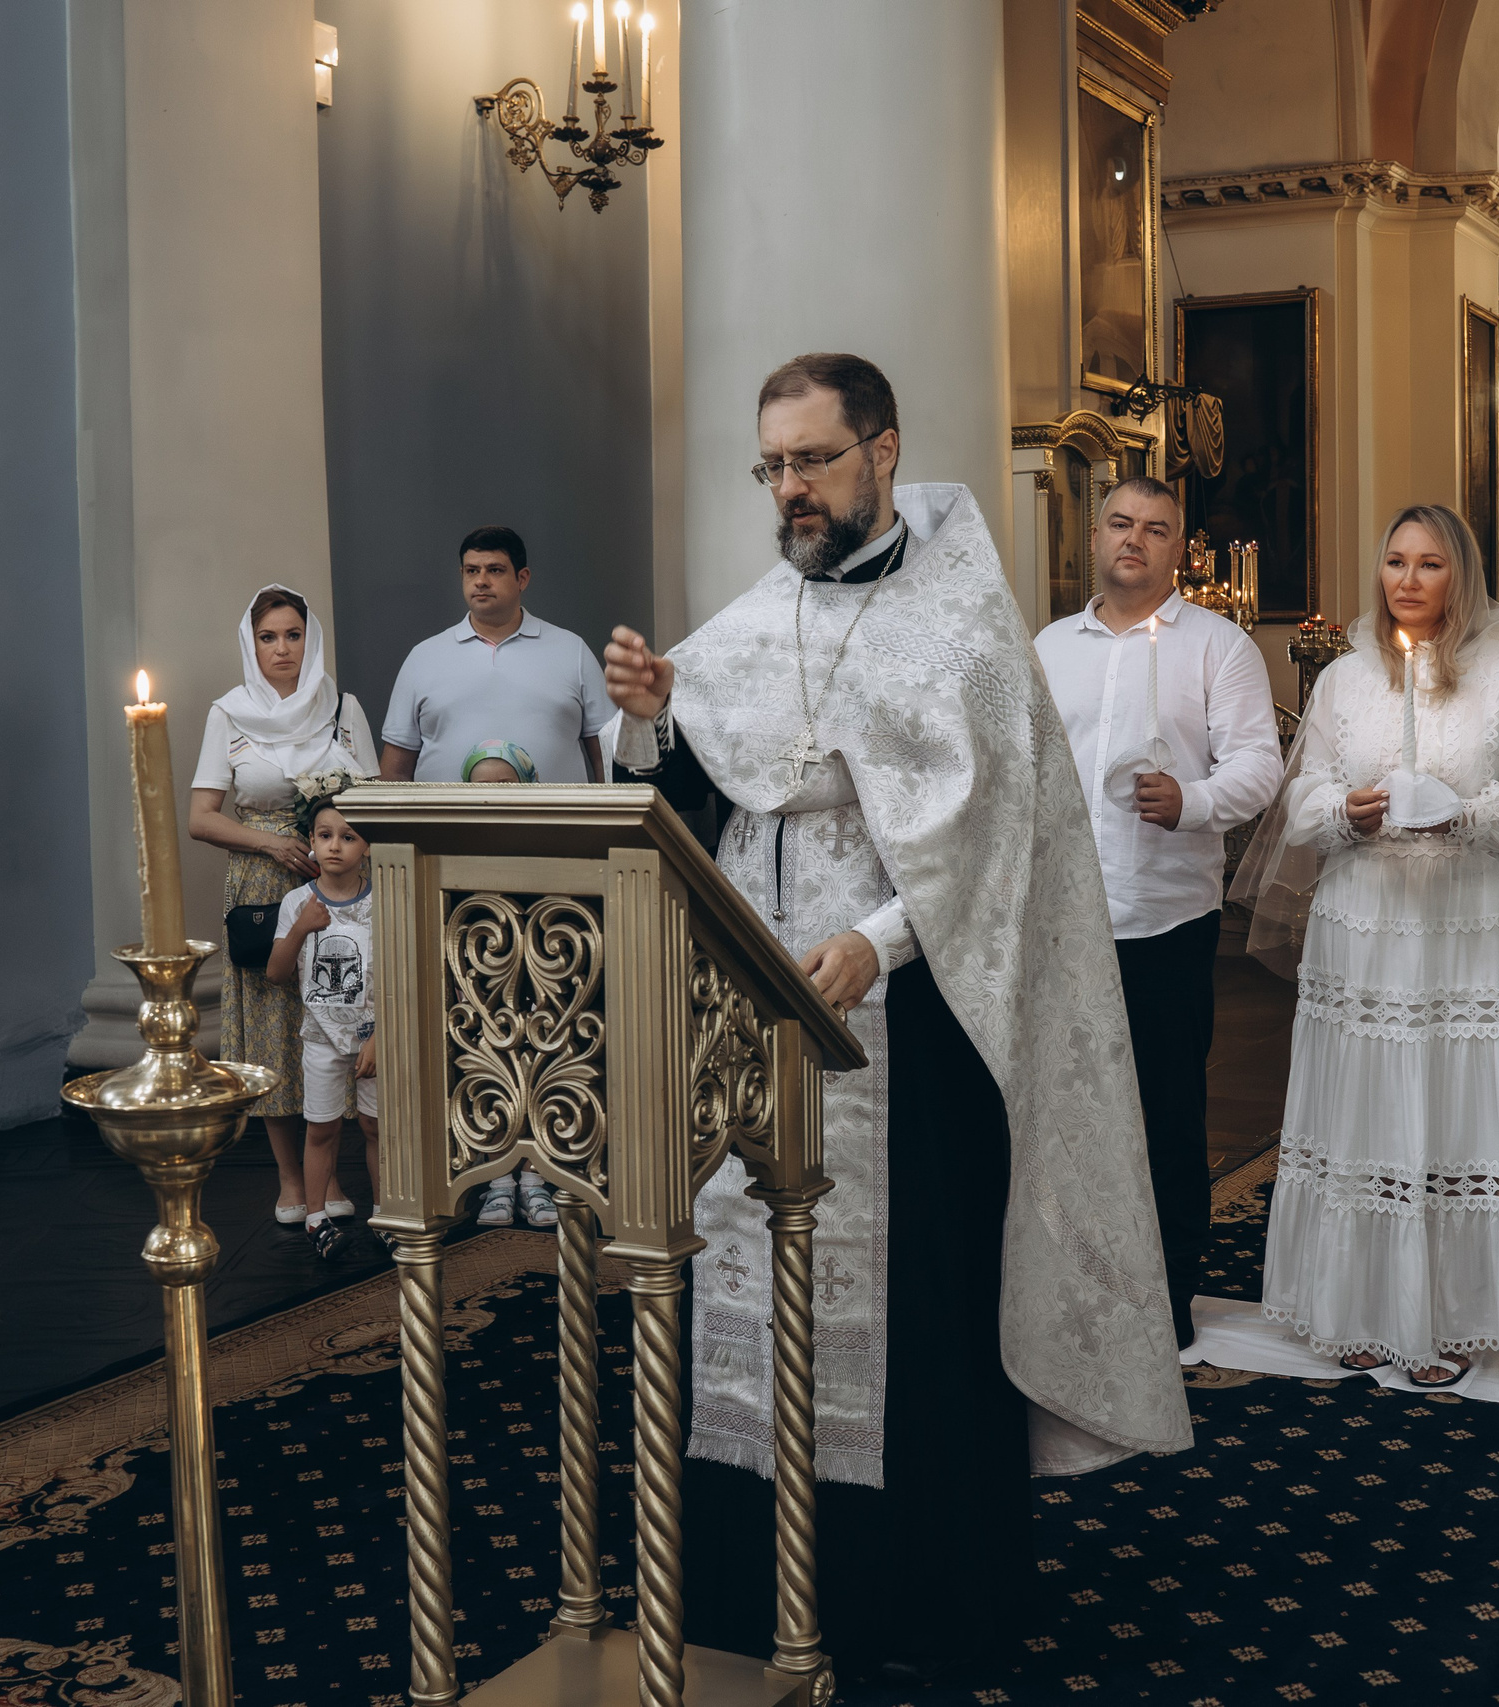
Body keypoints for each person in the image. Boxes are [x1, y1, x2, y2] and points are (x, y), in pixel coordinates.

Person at [600, 351, 1187, 1680]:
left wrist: (877, 937)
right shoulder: (751, 622)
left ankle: (919, 1603)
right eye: (774, 465)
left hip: (911, 1036)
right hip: (751, 1024)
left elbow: (1006, 844)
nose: (792, 488)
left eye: (813, 458)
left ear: (882, 451)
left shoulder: (962, 627)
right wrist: (653, 725)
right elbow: (694, 801)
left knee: (916, 1311)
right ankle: (748, 1594)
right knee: (742, 1284)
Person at [1233, 504, 1499, 1387]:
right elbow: (1303, 800)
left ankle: (1454, 1311)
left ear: (1463, 575)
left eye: (1430, 564)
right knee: (1369, 1105)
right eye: (1396, 562)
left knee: (1456, 1104)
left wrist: (1462, 811)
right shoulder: (1343, 678)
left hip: (1469, 927)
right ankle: (1363, 1305)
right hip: (1367, 924)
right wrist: (1348, 809)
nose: (1408, 581)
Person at [1032, 475, 1283, 1353]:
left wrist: (1195, 800)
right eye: (1120, 524)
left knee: (1166, 1113)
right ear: (1095, 538)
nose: (1133, 540)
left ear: (1180, 550)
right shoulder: (1050, 646)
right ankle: (1074, 1288)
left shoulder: (1218, 647)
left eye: (1156, 529)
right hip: (1063, 918)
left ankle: (1169, 1301)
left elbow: (1261, 763)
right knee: (1063, 1112)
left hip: (1165, 918)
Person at [188, 585, 378, 1224]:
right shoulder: (229, 713)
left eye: (293, 635)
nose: (281, 649)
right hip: (264, 886)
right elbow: (201, 818)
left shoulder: (344, 707)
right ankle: (292, 1181)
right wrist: (271, 843)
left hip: (346, 882)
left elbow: (374, 802)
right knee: (275, 1028)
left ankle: (336, 1171)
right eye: (268, 637)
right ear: (251, 643)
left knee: (344, 1009)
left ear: (310, 639)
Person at [379, 525, 612, 787]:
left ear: (522, 578)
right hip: (446, 826)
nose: (481, 581)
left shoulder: (572, 651)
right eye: (471, 571)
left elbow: (607, 761)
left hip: (554, 825)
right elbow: (394, 774)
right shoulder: (423, 657)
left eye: (495, 570)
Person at [264, 789, 379, 1259]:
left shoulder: (384, 898)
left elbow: (397, 972)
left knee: (376, 1126)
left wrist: (384, 1035)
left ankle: (386, 1212)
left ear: (366, 846)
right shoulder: (297, 902)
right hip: (321, 1036)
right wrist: (302, 928)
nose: (334, 846)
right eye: (324, 835)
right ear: (310, 839)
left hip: (374, 1035)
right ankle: (316, 1217)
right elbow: (275, 973)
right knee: (322, 1128)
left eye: (348, 837)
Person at [451, 736, 559, 1230]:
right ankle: (497, 1180)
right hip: (481, 988)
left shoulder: (552, 836)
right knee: (489, 1072)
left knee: (538, 1070)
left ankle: (536, 1179)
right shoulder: (455, 842)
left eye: (504, 785)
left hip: (543, 985)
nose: (491, 796)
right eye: (480, 787)